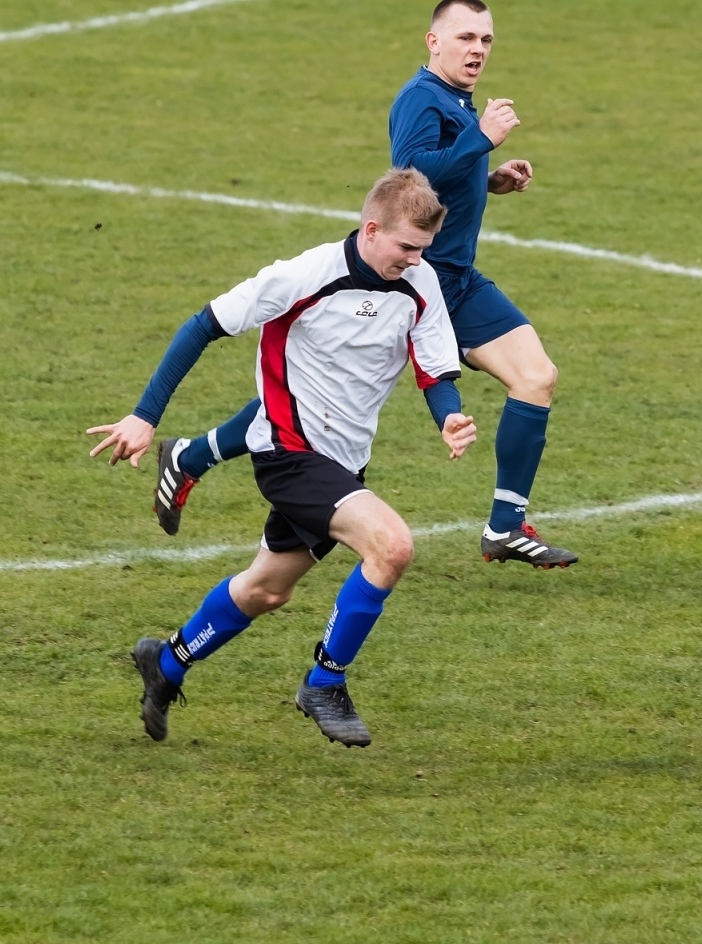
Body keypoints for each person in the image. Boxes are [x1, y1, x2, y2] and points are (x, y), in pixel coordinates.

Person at [146, 0, 577, 570]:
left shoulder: (455, 100)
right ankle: (191, 455)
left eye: (487, 40)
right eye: (466, 37)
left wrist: (486, 178)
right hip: (414, 280)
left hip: (458, 279)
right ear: (433, 42)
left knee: (537, 376)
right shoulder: (421, 98)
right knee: (312, 402)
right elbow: (410, 175)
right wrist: (482, 143)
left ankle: (505, 525)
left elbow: (438, 180)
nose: (478, 49)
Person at [87, 168, 477, 746]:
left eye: (423, 250)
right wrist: (145, 416)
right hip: (288, 454)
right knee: (391, 546)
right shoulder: (303, 276)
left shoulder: (422, 283)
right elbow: (203, 325)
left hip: (344, 463)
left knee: (266, 591)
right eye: (405, 247)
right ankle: (324, 682)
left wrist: (448, 413)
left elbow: (435, 366)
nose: (415, 260)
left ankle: (165, 664)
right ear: (371, 229)